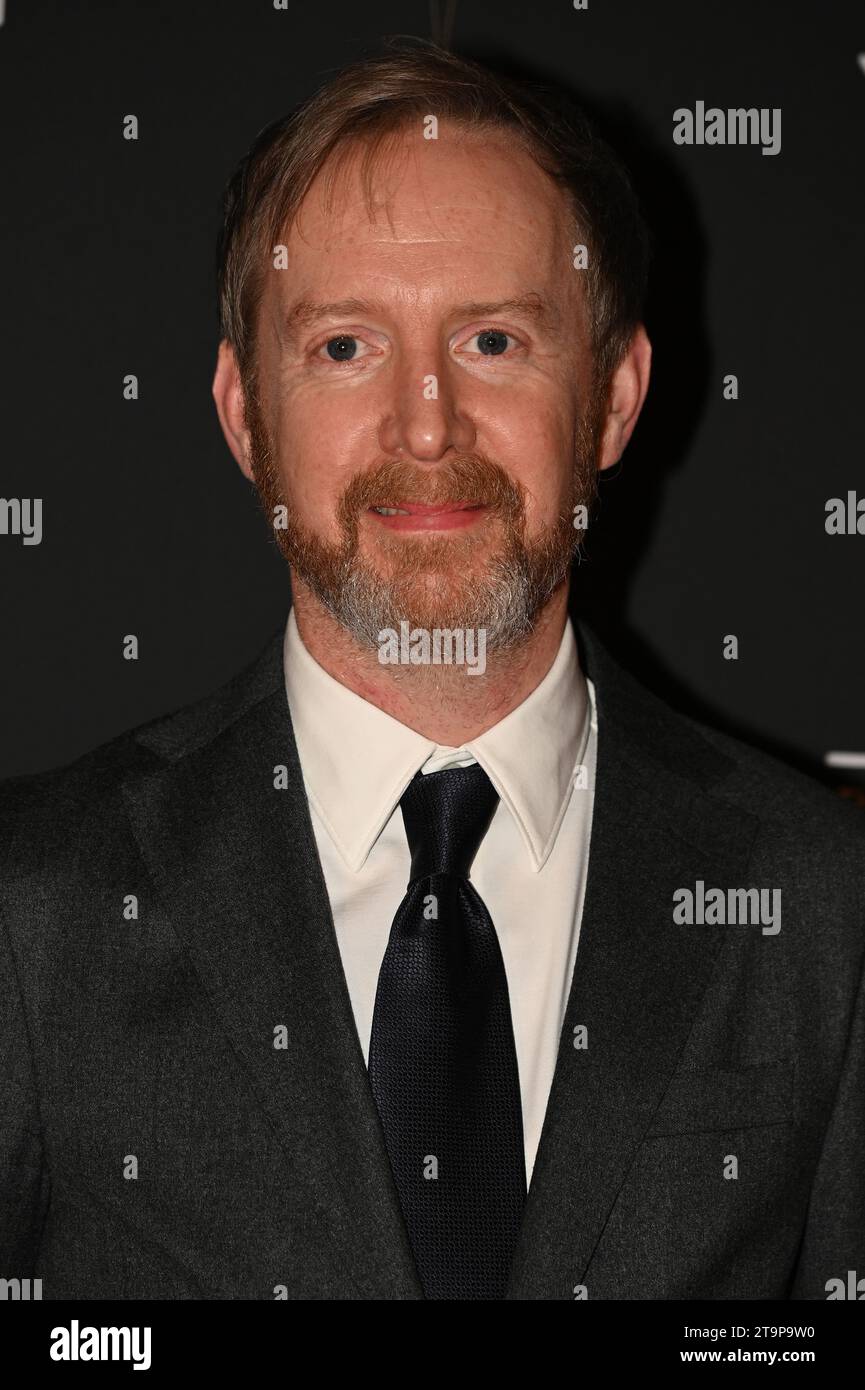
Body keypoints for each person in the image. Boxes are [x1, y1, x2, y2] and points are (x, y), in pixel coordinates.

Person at [1, 38, 863, 1301]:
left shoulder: (821, 906)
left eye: (494, 341)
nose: (424, 425)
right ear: (244, 414)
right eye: (344, 347)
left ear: (614, 396)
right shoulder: (33, 910)